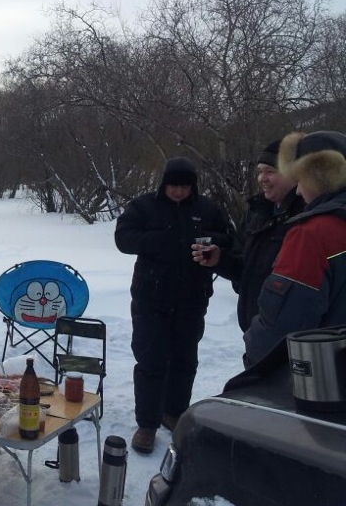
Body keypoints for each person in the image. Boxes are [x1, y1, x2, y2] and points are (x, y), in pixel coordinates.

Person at [115, 156, 230, 454]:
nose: (178, 191)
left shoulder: (207, 208)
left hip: (193, 298)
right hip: (150, 298)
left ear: (193, 186)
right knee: (151, 360)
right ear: (163, 184)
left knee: (184, 360)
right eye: (173, 186)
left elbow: (228, 238)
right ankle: (147, 423)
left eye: (184, 186)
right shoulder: (143, 206)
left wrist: (208, 241)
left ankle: (174, 412)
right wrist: (162, 239)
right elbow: (123, 239)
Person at [243, 130, 346, 367]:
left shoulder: (313, 234)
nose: (298, 191)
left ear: (320, 178)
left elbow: (283, 324)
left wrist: (254, 357)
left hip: (323, 373)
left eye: (300, 180)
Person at [193, 140, 306, 335]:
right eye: (260, 171)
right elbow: (247, 270)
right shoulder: (257, 213)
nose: (262, 178)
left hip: (292, 333)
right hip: (256, 329)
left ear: (294, 174)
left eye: (270, 171)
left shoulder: (306, 216)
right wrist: (220, 260)